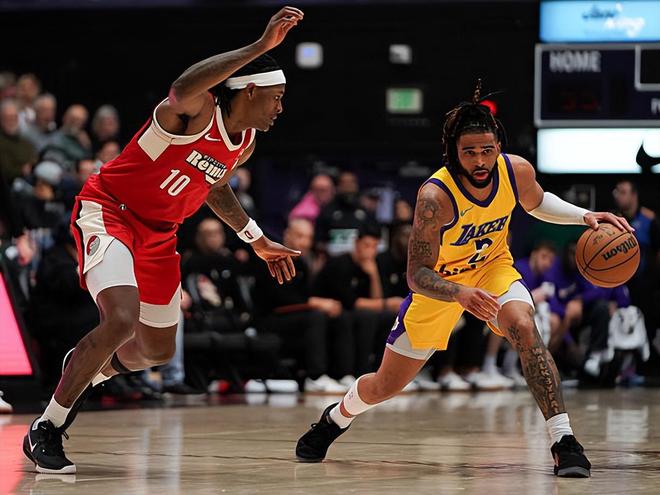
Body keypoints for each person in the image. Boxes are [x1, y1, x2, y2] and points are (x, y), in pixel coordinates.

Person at [296, 82, 633, 478]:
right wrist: (459, 292)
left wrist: (583, 216)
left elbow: (538, 201)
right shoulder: (435, 197)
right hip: (441, 285)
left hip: (492, 269)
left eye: (487, 150)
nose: (480, 160)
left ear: (498, 146)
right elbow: (416, 275)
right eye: (469, 152)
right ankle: (335, 418)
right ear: (453, 151)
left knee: (525, 327)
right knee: (385, 385)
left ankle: (564, 441)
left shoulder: (515, 170)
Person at [23, 6, 304, 474]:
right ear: (250, 90)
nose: (280, 108)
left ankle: (86, 365)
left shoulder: (245, 142)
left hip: (159, 234)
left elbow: (213, 185)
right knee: (120, 320)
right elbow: (180, 86)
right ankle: (47, 427)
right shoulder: (194, 111)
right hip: (111, 211)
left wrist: (254, 238)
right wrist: (259, 47)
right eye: (276, 97)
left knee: (155, 351)